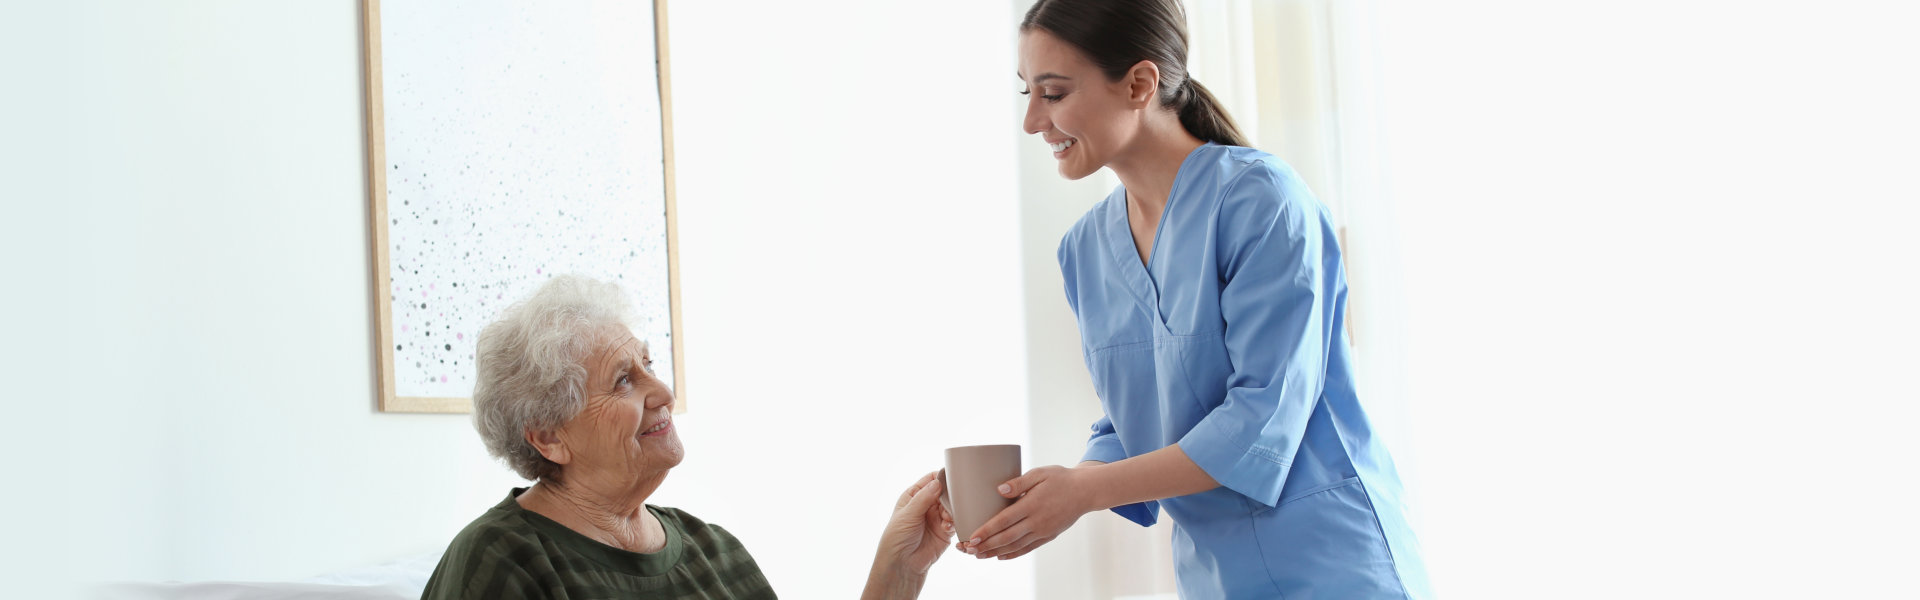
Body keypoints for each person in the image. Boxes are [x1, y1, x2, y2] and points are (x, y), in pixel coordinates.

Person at [960, 0, 1432, 597]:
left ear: (1139, 83)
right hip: (1213, 577)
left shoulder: (1261, 201)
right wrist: (1049, 497)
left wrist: (1083, 493)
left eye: (1052, 94)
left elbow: (1263, 416)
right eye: (1026, 92)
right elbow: (1136, 416)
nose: (1031, 120)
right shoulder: (1085, 250)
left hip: (1333, 563)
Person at [422, 275, 953, 600]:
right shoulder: (503, 560)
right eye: (623, 380)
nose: (663, 391)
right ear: (549, 437)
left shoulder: (713, 552)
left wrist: (899, 570)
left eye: (648, 364)